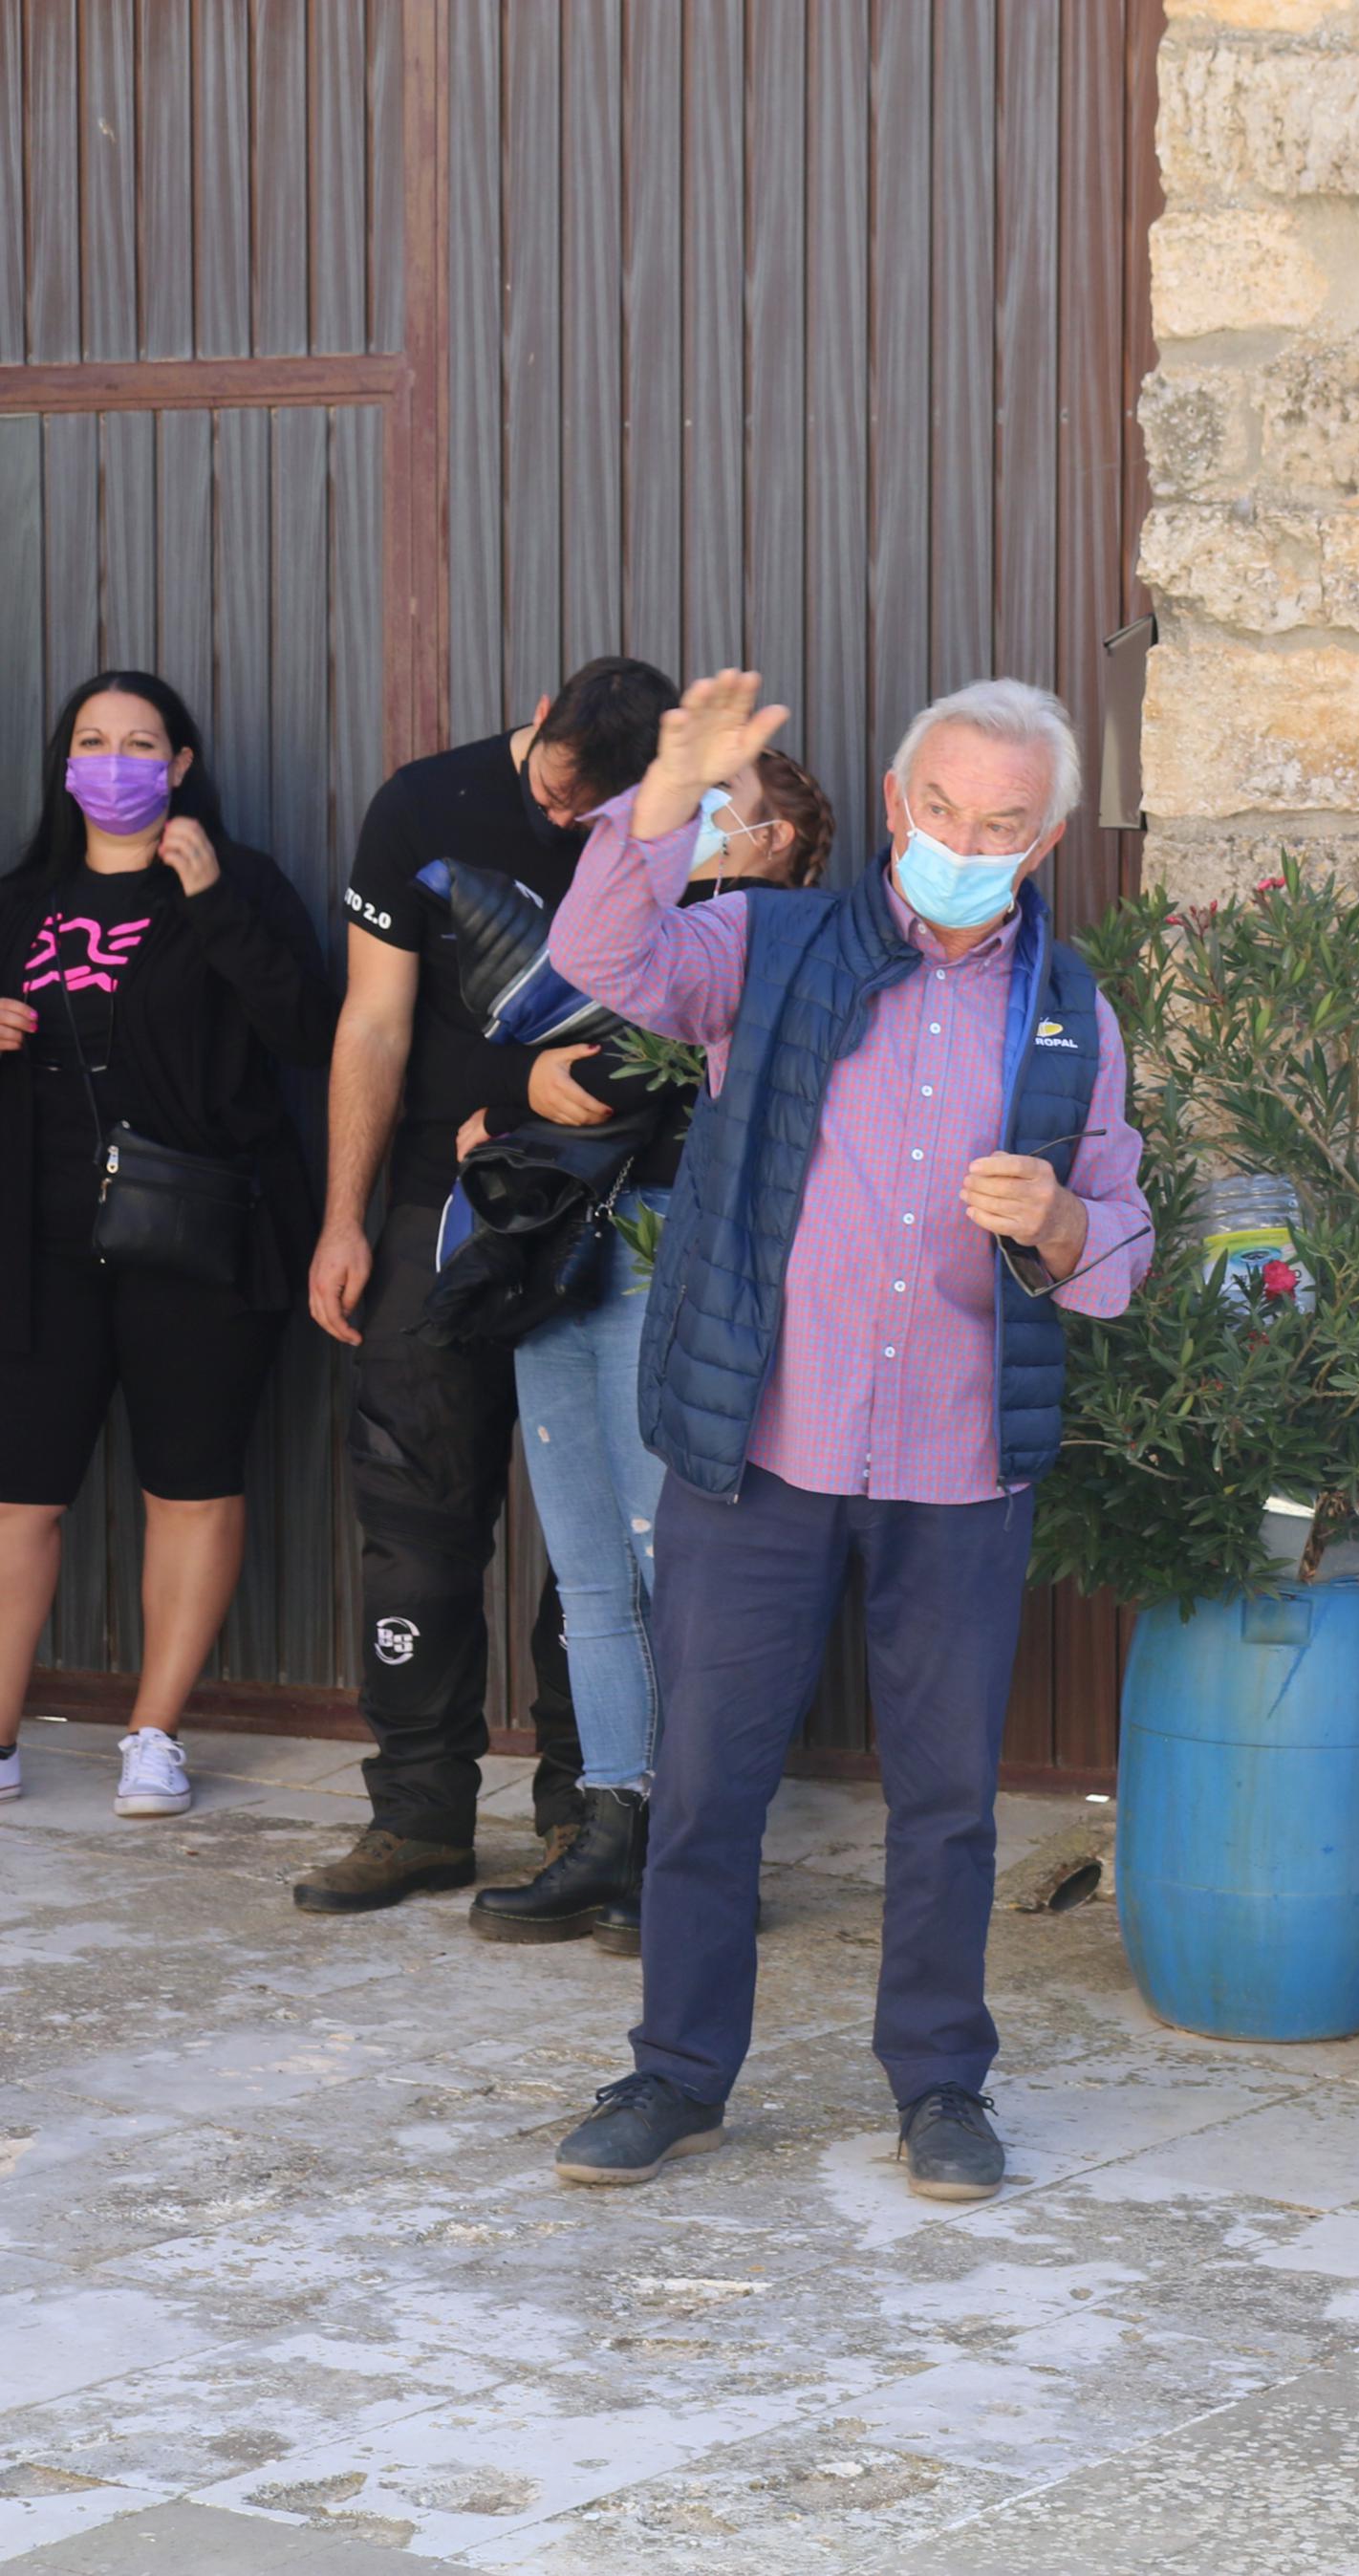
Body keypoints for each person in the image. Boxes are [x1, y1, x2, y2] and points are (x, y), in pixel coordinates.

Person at [534, 670, 1150, 2205]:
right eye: (940, 807)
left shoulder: (1071, 1008)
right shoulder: (769, 941)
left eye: (1000, 820)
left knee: (944, 1800)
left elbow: (1123, 1236)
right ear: (893, 807)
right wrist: (668, 793)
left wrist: (1066, 1222)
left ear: (1046, 834)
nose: (963, 838)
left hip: (959, 1466)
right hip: (762, 1447)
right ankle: (676, 2071)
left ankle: (940, 2083)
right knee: (706, 1776)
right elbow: (601, 950)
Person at [297, 657, 678, 1914]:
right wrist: (345, 1221)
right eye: (564, 791)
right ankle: (416, 1814)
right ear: (540, 725)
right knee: (413, 1518)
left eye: (600, 808)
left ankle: (588, 1811)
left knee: (603, 1542)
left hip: (612, 1217)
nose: (574, 822)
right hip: (440, 1209)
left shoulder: (681, 821)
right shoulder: (426, 803)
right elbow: (373, 1024)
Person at [469, 748, 835, 1953]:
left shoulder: (773, 934)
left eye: (734, 807)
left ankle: (701, 1845)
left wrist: (519, 1101)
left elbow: (636, 1083)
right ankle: (612, 1822)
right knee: (584, 1565)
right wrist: (513, 1095)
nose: (702, 824)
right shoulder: (641, 936)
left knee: (672, 1561)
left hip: (669, 1242)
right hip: (563, 1248)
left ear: (782, 838)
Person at [0, 672, 337, 1817]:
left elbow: (306, 1032)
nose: (115, 760)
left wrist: (213, 906)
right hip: (37, 1245)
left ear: (182, 765)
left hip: (197, 1235)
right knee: (18, 1497)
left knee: (188, 1485)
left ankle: (153, 1735)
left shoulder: (237, 884)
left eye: (141, 742)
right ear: (64, 763)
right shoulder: (18, 903)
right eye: (92, 740)